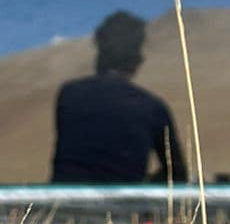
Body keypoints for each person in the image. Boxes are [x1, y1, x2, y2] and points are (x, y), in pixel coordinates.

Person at [51, 11, 187, 185]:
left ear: (99, 52)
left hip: (60, 206)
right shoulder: (152, 107)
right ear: (137, 58)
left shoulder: (68, 94)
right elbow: (177, 174)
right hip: (124, 209)